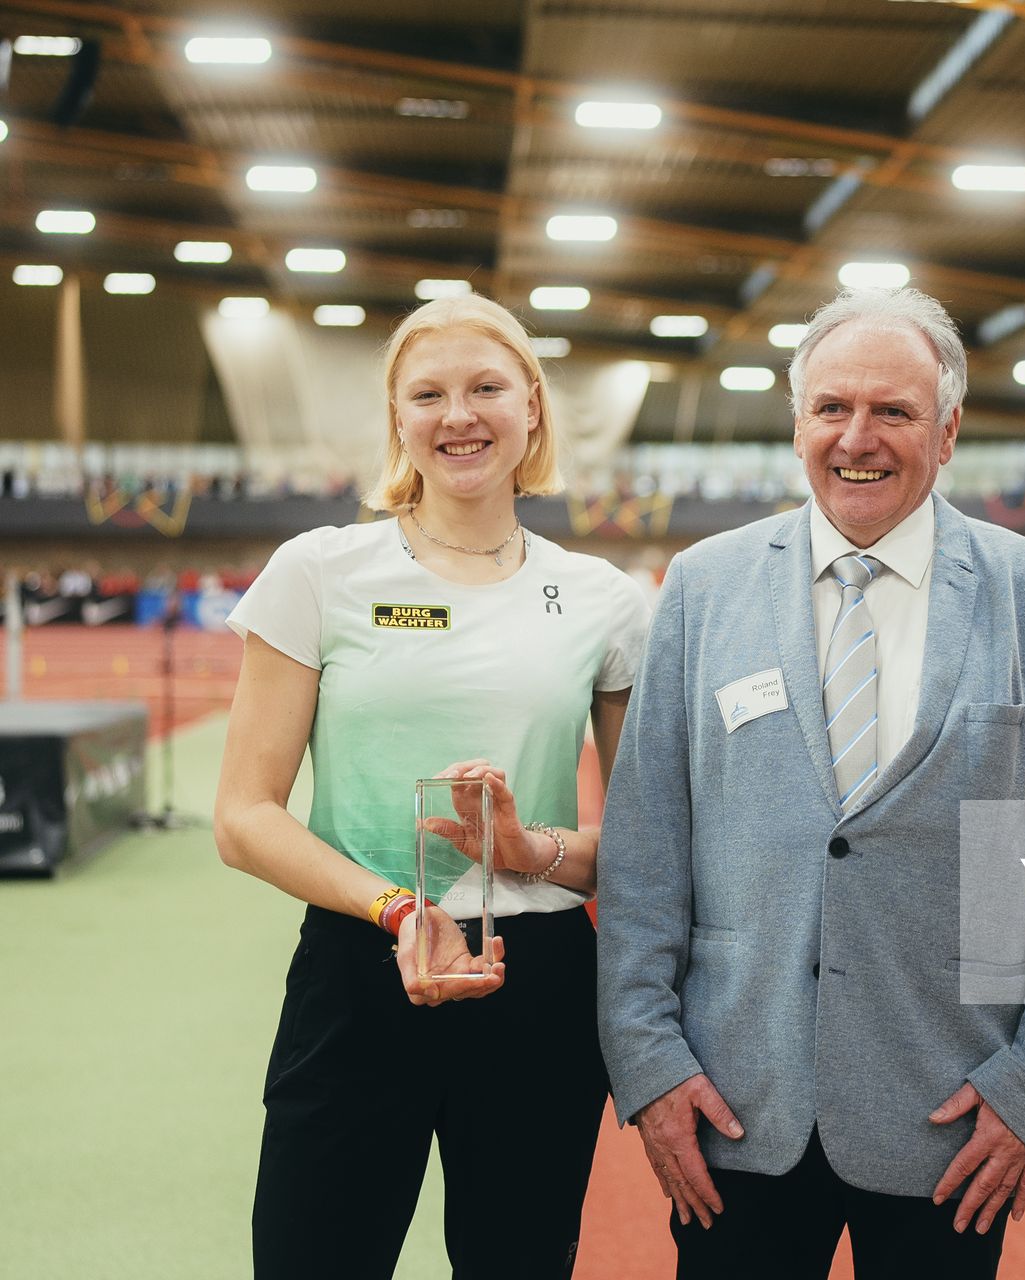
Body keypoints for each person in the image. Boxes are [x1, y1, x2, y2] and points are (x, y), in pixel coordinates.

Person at [596, 286, 1025, 1279]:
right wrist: (649, 1062)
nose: (859, 437)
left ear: (949, 429)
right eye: (832, 407)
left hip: (953, 1116)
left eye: (894, 410)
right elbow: (644, 854)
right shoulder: (702, 587)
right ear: (798, 422)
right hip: (733, 1104)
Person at [213, 293, 648, 1278]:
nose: (460, 415)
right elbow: (242, 817)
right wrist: (397, 905)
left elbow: (642, 850)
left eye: (488, 387)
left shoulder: (603, 599)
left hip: (534, 983)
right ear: (397, 418)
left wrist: (527, 848)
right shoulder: (319, 572)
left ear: (531, 406)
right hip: (364, 964)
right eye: (430, 393)